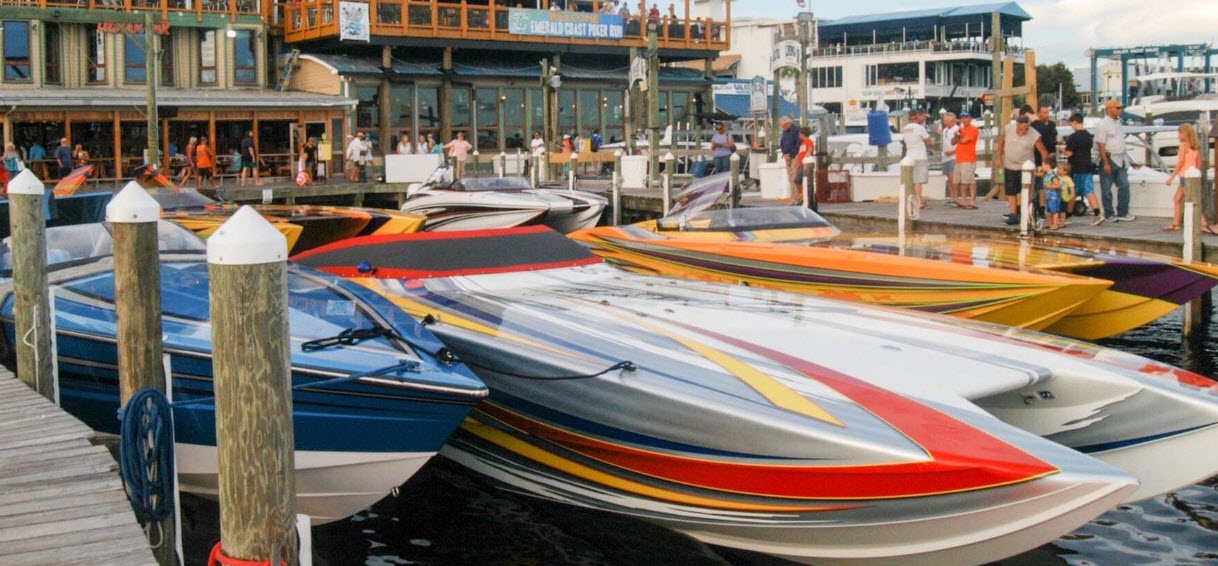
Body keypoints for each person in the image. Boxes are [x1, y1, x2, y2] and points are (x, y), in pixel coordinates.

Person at [994, 115, 1051, 225]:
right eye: (1021, 129)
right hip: (1010, 165)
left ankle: (1022, 213)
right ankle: (1013, 213)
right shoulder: (1008, 129)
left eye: (1026, 129)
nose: (1023, 131)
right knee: (1010, 191)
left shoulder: (1034, 134)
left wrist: (1043, 166)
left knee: (1023, 191)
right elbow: (1001, 142)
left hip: (1025, 167)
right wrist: (999, 157)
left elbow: (1043, 151)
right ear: (1017, 125)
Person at [1163, 123, 1215, 233]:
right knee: (1177, 199)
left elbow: (1180, 162)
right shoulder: (1195, 146)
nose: (1178, 135)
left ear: (1184, 134)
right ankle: (1176, 223)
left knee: (1192, 200)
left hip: (1185, 176)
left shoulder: (1183, 145)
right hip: (1193, 176)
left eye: (1179, 133)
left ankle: (1203, 223)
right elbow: (1199, 164)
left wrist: (1171, 177)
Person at [1095, 99, 1135, 223]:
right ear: (1110, 109)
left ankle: (1123, 212)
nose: (1120, 110)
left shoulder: (1118, 123)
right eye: (1117, 108)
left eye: (1120, 108)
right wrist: (1106, 163)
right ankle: (1109, 214)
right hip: (1109, 158)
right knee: (1106, 189)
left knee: (1124, 185)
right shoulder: (1102, 124)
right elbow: (1101, 144)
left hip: (1121, 158)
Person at [1062, 113, 1101, 223]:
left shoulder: (1073, 137)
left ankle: (1068, 214)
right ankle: (1097, 213)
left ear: (1075, 122)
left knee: (1072, 191)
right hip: (1087, 165)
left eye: (1071, 124)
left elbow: (1069, 153)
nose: (1071, 126)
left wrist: (1061, 151)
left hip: (1076, 167)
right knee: (1089, 191)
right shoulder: (1088, 135)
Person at [900, 109, 931, 209]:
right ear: (917, 117)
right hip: (920, 156)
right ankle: (919, 202)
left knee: (911, 180)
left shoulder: (905, 128)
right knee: (918, 180)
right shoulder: (920, 128)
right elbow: (928, 141)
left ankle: (912, 200)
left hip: (909, 156)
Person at [1030, 105, 1058, 214]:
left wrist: (1052, 152)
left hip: (1049, 156)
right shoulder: (1034, 126)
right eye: (1044, 113)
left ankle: (1044, 207)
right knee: (1038, 184)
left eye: (1047, 113)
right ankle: (1036, 206)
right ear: (1038, 113)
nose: (1047, 115)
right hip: (1036, 156)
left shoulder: (1051, 125)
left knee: (1046, 182)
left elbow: (1052, 140)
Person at [952, 111, 979, 209]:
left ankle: (970, 200)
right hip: (959, 158)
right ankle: (962, 199)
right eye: (963, 118)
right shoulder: (960, 129)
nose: (965, 120)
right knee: (957, 180)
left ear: (970, 118)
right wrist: (956, 135)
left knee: (967, 181)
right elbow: (953, 142)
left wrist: (959, 138)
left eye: (967, 118)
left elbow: (964, 141)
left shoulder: (973, 129)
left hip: (968, 158)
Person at [1044, 162, 1072, 230]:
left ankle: (1058, 223)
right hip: (1050, 196)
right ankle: (1049, 223)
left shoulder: (1065, 178)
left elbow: (1060, 186)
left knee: (1059, 210)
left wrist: (1072, 194)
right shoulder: (1052, 176)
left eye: (1060, 169)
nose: (1058, 170)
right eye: (1058, 169)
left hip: (1058, 196)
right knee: (1049, 210)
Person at [793, 126, 815, 207]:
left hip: (805, 164)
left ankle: (802, 195)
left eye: (800, 134)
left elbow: (809, 149)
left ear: (803, 134)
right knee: (799, 180)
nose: (799, 135)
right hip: (801, 164)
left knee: (797, 180)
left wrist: (808, 154)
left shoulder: (808, 141)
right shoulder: (802, 143)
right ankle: (802, 195)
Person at [940, 112, 959, 206]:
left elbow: (959, 144)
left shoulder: (957, 129)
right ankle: (952, 197)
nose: (945, 122)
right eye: (945, 120)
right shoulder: (945, 130)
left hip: (953, 156)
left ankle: (956, 198)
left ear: (952, 120)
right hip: (945, 157)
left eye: (947, 120)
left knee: (953, 178)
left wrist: (952, 152)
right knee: (948, 178)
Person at [778, 117, 801, 197]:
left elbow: (798, 144)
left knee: (795, 176)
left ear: (788, 124)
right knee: (790, 177)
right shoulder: (785, 132)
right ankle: (793, 196)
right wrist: (785, 153)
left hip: (795, 155)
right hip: (787, 155)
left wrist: (790, 154)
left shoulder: (796, 130)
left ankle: (797, 196)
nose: (782, 128)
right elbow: (782, 143)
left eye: (784, 126)